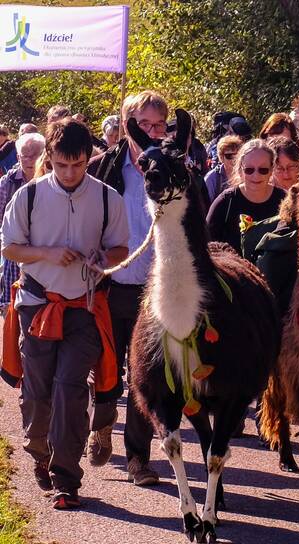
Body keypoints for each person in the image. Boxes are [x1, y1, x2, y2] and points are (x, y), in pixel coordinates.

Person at [0, 118, 129, 509]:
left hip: (85, 307)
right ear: (49, 158)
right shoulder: (29, 196)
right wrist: (48, 253)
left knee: (71, 389)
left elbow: (121, 250)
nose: (70, 173)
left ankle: (66, 478)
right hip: (38, 305)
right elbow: (9, 248)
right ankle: (40, 452)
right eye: (61, 165)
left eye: (78, 165)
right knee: (38, 392)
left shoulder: (108, 198)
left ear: (89, 158)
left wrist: (102, 258)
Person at [86, 90, 169, 487]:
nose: (151, 132)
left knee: (145, 378)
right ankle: (101, 422)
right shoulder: (103, 166)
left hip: (154, 292)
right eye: (144, 124)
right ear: (127, 124)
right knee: (107, 371)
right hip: (110, 284)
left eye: (158, 125)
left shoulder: (170, 168)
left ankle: (139, 458)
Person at [206, 139, 286, 253]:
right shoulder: (225, 203)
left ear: (271, 170)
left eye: (263, 170)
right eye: (249, 170)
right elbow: (206, 245)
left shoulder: (285, 201)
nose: (256, 175)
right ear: (240, 170)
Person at [0, 133, 46, 313]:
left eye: (34, 154)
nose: (29, 160)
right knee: (13, 312)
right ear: (18, 157)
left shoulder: (54, 182)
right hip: (14, 259)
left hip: (45, 259)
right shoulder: (7, 183)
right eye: (24, 155)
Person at [203, 135, 241, 203]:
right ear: (221, 157)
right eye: (229, 156)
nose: (233, 160)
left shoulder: (245, 175)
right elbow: (205, 205)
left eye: (236, 155)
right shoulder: (212, 178)